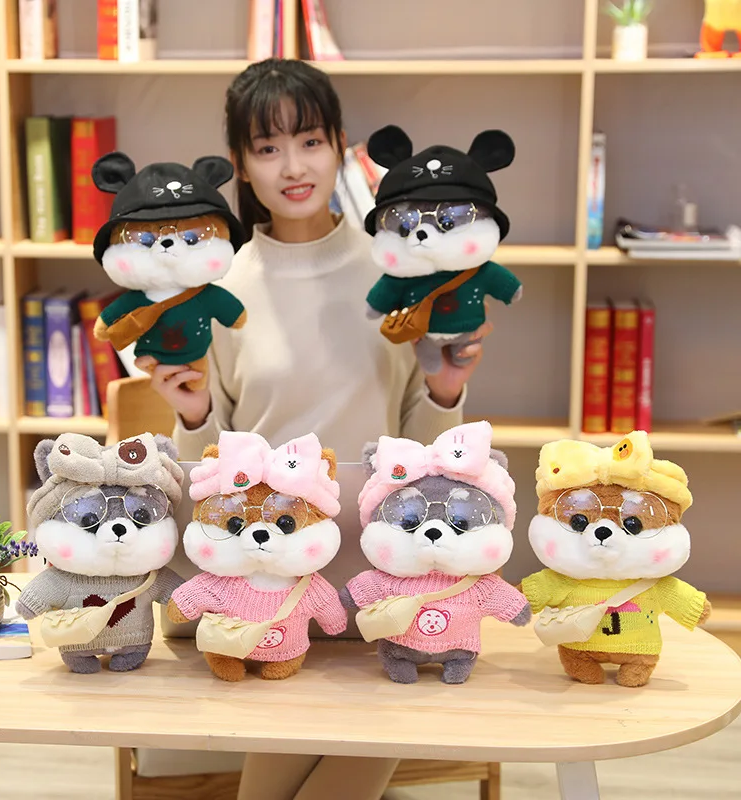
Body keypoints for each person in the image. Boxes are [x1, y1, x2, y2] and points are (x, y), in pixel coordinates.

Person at [142, 58, 492, 800]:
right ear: (240, 164)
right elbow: (209, 467)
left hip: (388, 571)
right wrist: (191, 413)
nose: (293, 167)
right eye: (268, 148)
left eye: (310, 141)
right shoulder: (219, 287)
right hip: (263, 579)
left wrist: (446, 389)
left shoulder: (400, 272)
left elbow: (428, 451)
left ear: (339, 145)